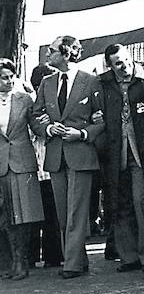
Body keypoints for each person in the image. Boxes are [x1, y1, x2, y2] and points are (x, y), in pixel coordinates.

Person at [33, 35, 105, 279]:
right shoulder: (46, 82)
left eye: (51, 51)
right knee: (63, 211)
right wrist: (47, 129)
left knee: (77, 209)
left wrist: (82, 133)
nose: (47, 55)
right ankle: (77, 258)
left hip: (81, 154)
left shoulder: (91, 81)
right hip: (56, 155)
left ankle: (72, 263)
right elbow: (35, 115)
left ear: (66, 53)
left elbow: (103, 119)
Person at [98, 44, 144, 273]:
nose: (124, 66)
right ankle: (128, 256)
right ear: (110, 66)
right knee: (120, 204)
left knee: (141, 201)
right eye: (118, 64)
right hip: (115, 153)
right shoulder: (103, 85)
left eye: (126, 60)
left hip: (140, 152)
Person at [0, 59, 45, 280]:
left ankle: (22, 260)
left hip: (22, 162)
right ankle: (10, 260)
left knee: (24, 214)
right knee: (6, 215)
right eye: (4, 77)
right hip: (1, 163)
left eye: (11, 77)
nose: (9, 81)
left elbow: (35, 125)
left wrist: (49, 128)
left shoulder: (25, 99)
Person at [27, 62, 63, 269]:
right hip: (34, 163)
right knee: (36, 211)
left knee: (52, 211)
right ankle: (34, 255)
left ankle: (53, 255)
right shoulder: (28, 102)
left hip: (49, 163)